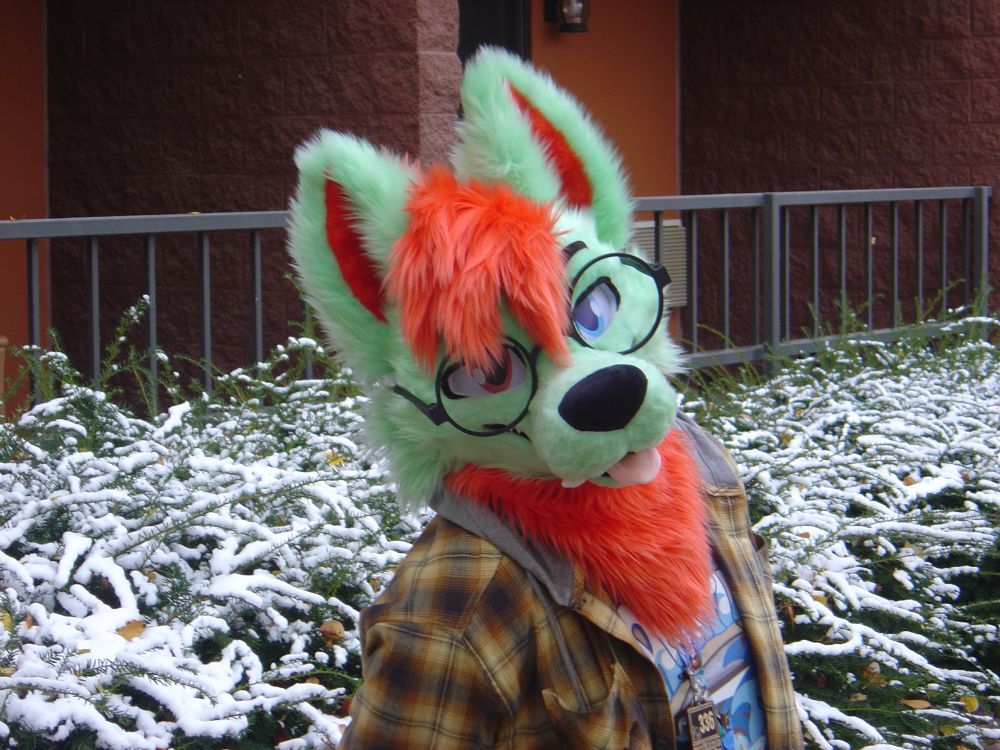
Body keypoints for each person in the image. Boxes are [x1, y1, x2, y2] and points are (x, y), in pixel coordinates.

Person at [287, 47, 803, 749]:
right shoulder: (458, 601)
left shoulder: (697, 463)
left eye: (589, 312)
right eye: (491, 370)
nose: (591, 377)